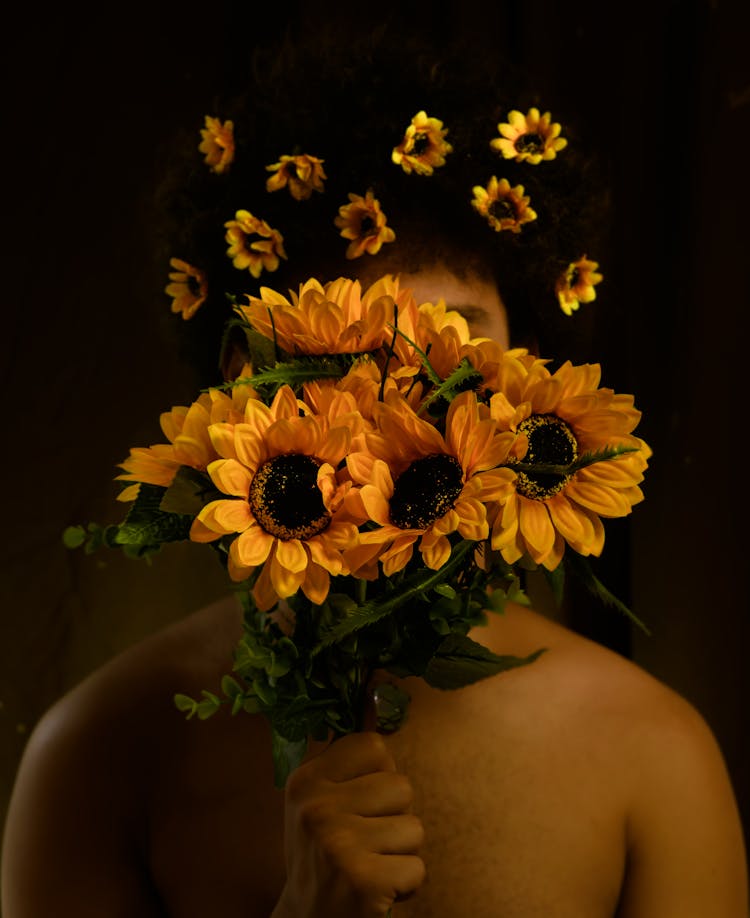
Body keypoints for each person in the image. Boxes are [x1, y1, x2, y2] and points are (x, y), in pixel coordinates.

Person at [2, 20, 747, 918]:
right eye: (364, 349)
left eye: (459, 350)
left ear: (533, 380)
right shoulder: (97, 758)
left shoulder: (653, 755)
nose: (413, 403)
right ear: (251, 383)